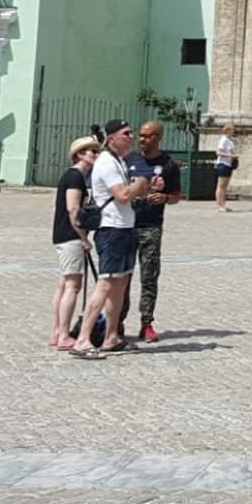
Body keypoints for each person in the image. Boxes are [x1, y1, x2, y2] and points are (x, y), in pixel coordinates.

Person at [72, 121, 145, 356]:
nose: (131, 137)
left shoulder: (119, 161)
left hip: (125, 227)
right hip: (111, 229)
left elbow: (129, 194)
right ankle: (83, 339)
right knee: (105, 284)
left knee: (120, 284)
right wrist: (140, 184)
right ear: (111, 138)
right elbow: (122, 195)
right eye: (126, 133)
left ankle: (111, 336)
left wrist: (144, 187)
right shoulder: (106, 162)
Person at [122, 121, 181, 342]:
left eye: (147, 136)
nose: (142, 139)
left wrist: (165, 198)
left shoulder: (168, 164)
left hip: (151, 226)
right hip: (126, 225)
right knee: (122, 277)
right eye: (141, 135)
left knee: (149, 276)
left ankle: (146, 323)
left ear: (158, 137)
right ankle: (117, 320)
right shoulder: (129, 160)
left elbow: (176, 196)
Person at [50, 137, 99, 350]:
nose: (96, 155)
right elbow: (73, 209)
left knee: (63, 284)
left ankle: (57, 331)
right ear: (79, 155)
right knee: (73, 286)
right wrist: (83, 237)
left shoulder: (74, 176)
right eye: (92, 152)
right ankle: (63, 335)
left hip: (63, 235)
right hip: (70, 236)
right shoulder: (75, 177)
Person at [213, 125, 238, 213]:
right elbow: (218, 152)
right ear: (227, 130)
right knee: (221, 185)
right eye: (232, 130)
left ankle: (223, 204)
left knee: (225, 186)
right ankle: (220, 205)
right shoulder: (223, 140)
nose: (234, 131)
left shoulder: (230, 141)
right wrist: (230, 156)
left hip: (228, 164)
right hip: (222, 164)